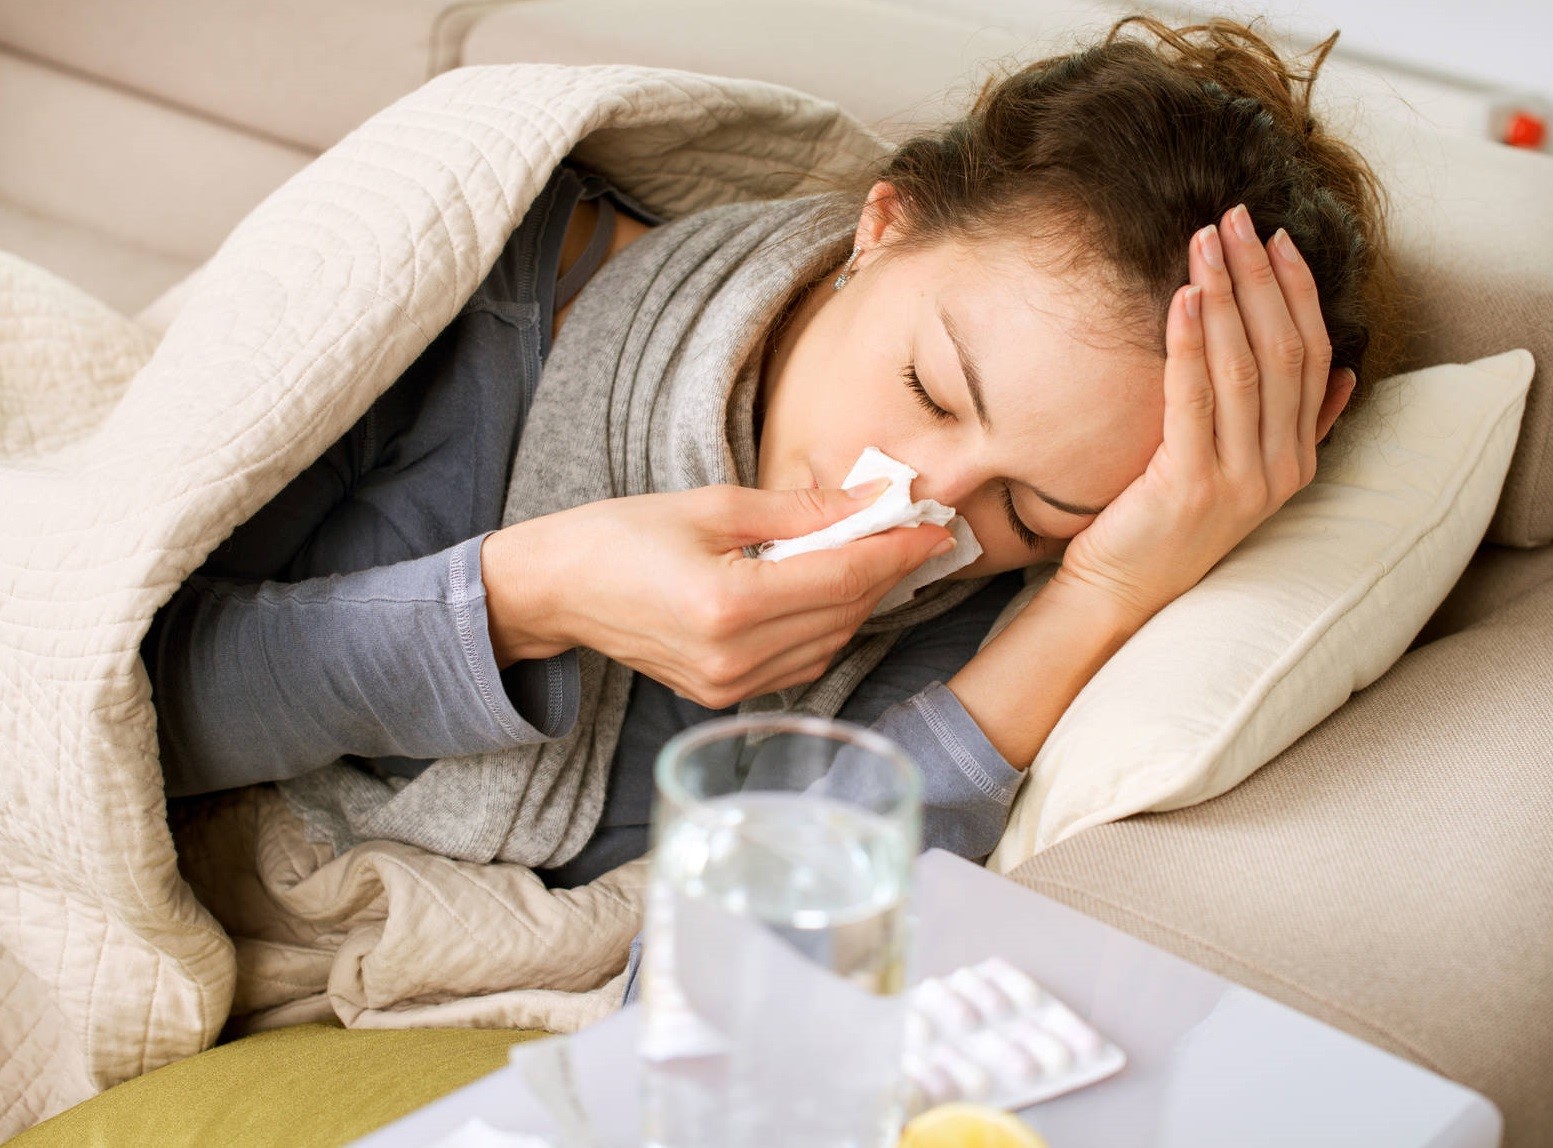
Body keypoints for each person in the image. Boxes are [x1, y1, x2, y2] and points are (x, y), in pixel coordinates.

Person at [144, 16, 1398, 886]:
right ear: (881, 226)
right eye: (928, 388)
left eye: (1032, 505)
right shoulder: (462, 289)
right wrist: (528, 596)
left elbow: (761, 950)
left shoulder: (983, 588)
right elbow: (112, 705)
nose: (920, 508)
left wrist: (1099, 592)